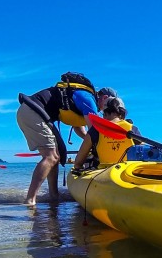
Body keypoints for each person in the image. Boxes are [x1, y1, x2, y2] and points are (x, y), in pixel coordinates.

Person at [16, 73, 103, 205]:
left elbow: (80, 128)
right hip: (33, 112)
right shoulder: (88, 98)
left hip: (31, 111)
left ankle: (53, 195)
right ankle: (30, 199)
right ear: (105, 97)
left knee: (55, 157)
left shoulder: (80, 96)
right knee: (50, 157)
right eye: (106, 104)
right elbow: (94, 130)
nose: (104, 109)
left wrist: (87, 140)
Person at [72, 96, 141, 171]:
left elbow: (78, 163)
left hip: (103, 173)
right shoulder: (132, 129)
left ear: (104, 113)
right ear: (122, 113)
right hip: (127, 172)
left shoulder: (95, 129)